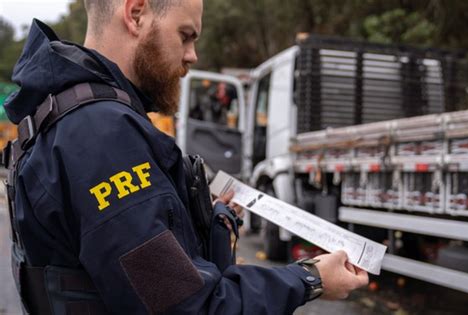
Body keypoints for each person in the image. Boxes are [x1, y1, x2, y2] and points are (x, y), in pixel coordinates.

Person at [3, 0, 368, 314]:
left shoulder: (64, 111)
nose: (193, 54)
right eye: (186, 35)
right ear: (136, 14)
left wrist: (206, 216)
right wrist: (310, 279)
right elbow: (188, 305)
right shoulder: (100, 134)